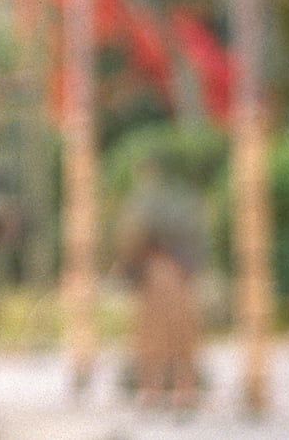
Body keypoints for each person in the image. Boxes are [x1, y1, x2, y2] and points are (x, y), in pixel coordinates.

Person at [117, 157, 206, 409]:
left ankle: (171, 389)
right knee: (161, 333)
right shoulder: (181, 201)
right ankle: (168, 389)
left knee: (169, 333)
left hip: (163, 272)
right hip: (167, 273)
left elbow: (132, 239)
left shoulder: (149, 203)